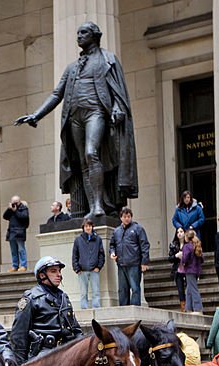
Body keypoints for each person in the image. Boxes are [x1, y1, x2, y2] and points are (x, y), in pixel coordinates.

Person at [15, 21, 137, 220]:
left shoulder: (107, 60)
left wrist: (117, 107)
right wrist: (36, 114)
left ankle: (99, 205)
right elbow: (57, 94)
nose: (79, 36)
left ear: (95, 36)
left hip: (95, 112)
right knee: (82, 162)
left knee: (91, 153)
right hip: (74, 117)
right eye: (78, 33)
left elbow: (118, 91)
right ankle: (93, 206)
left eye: (84, 32)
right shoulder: (72, 68)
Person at [11, 256, 83, 363]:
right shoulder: (31, 298)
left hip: (66, 353)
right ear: (42, 275)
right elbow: (19, 335)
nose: (59, 274)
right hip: (42, 356)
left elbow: (75, 329)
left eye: (59, 271)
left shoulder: (64, 298)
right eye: (53, 271)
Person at [109, 207, 149, 306]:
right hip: (121, 264)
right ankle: (123, 309)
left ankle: (135, 308)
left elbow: (144, 245)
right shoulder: (116, 231)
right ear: (121, 218)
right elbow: (112, 244)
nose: (127, 218)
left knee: (135, 288)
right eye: (124, 216)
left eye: (128, 216)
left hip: (134, 263)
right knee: (122, 289)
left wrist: (144, 262)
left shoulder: (138, 228)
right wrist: (112, 252)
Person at [72, 218, 105, 309]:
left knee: (96, 291)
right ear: (83, 227)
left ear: (92, 227)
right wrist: (77, 268)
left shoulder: (98, 239)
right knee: (83, 292)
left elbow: (101, 254)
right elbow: (75, 255)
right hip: (82, 270)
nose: (88, 228)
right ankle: (84, 309)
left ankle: (96, 307)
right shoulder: (78, 240)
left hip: (94, 270)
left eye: (89, 226)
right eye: (86, 226)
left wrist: (98, 267)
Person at [178, 230, 204, 313]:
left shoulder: (187, 246)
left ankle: (198, 308)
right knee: (189, 289)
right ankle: (188, 307)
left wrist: (181, 257)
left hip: (189, 269)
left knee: (193, 289)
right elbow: (202, 259)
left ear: (186, 237)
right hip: (196, 270)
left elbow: (185, 258)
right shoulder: (196, 245)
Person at [3, 196, 30, 271]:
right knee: (13, 251)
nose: (14, 204)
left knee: (21, 250)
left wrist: (15, 211)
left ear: (19, 202)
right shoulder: (11, 209)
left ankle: (23, 265)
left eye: (16, 202)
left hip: (20, 232)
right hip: (12, 232)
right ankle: (15, 266)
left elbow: (24, 217)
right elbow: (5, 216)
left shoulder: (23, 208)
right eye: (13, 202)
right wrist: (9, 209)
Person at [168, 227, 187, 312]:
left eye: (181, 231)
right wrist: (176, 256)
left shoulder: (189, 244)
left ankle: (190, 306)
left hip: (188, 269)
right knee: (180, 289)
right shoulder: (173, 244)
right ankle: (183, 307)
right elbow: (170, 258)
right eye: (178, 232)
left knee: (189, 288)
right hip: (177, 270)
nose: (179, 233)